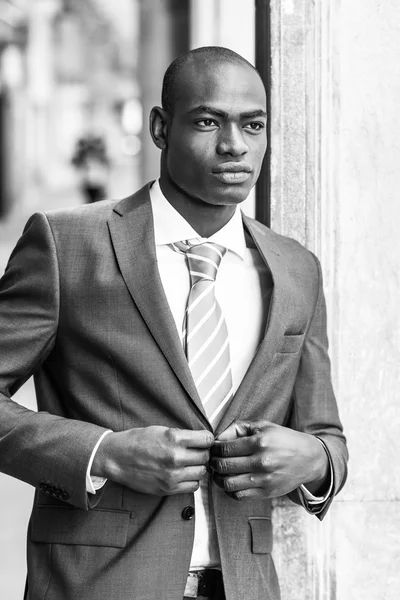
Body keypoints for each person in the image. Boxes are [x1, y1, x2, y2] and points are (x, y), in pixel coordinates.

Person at [0, 47, 348, 600]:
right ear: (161, 128)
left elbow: (325, 435)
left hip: (245, 584)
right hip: (98, 584)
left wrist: (315, 460)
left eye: (252, 125)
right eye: (208, 121)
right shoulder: (66, 245)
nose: (234, 144)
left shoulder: (295, 269)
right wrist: (104, 453)